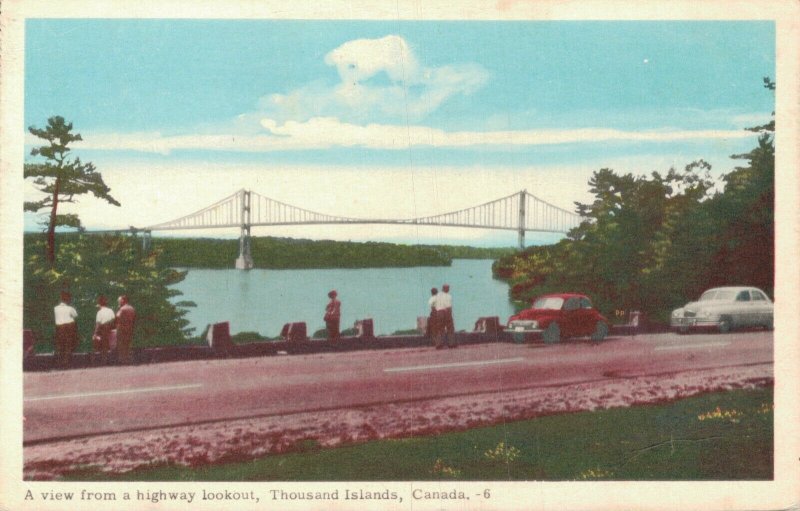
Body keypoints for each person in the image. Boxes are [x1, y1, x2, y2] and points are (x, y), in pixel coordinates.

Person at [53, 291, 78, 367]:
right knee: (68, 344)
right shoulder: (70, 308)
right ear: (67, 299)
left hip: (59, 327)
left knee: (60, 344)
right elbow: (75, 316)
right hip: (69, 327)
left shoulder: (55, 308)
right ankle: (66, 362)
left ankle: (60, 362)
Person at [92, 295, 115, 363]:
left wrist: (95, 333)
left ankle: (104, 359)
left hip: (103, 329)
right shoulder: (110, 310)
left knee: (103, 344)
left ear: (99, 305)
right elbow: (113, 319)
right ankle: (109, 358)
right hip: (110, 328)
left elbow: (98, 324)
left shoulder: (99, 312)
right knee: (111, 344)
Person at [115, 295, 136, 364]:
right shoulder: (132, 308)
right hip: (130, 328)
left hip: (122, 328)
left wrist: (119, 309)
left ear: (123, 301)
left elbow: (117, 317)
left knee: (121, 345)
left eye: (119, 300)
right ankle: (129, 359)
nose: (118, 302)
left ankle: (123, 360)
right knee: (128, 344)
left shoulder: (122, 309)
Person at [438, 284, 457, 348]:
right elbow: (448, 306)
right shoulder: (448, 296)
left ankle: (439, 344)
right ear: (445, 288)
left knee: (440, 329)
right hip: (446, 312)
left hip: (439, 313)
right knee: (450, 328)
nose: (449, 289)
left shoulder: (438, 295)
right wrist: (450, 314)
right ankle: (451, 344)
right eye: (448, 288)